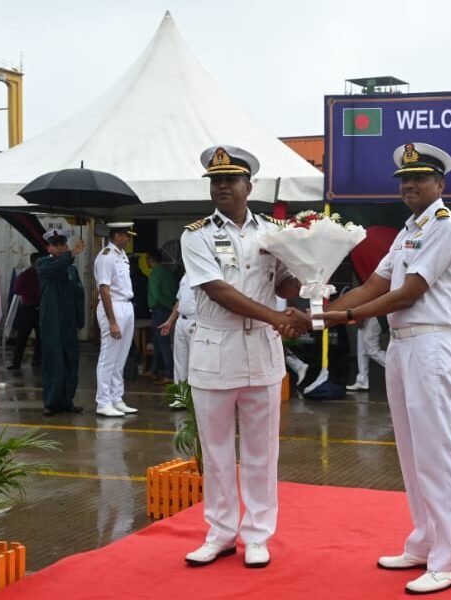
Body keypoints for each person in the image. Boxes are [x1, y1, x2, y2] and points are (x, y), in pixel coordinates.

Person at [321, 142, 451, 595]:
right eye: (405, 179)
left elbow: (409, 292)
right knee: (409, 451)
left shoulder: (446, 226)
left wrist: (348, 318)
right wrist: (320, 313)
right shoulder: (409, 230)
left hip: (430, 341)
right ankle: (424, 541)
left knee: (435, 451)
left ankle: (450, 559)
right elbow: (374, 284)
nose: (409, 185)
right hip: (403, 346)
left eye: (419, 178)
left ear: (439, 185)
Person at [180, 144, 308, 570]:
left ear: (248, 186)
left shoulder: (273, 230)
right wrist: (277, 315)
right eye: (216, 181)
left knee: (261, 451)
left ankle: (257, 534)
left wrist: (310, 276)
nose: (221, 187)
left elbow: (287, 282)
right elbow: (218, 290)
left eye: (230, 180)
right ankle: (219, 533)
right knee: (216, 451)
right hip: (216, 347)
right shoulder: (195, 234)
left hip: (262, 350)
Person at [37, 229, 87, 417]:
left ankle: (67, 400)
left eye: (62, 244)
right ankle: (51, 402)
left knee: (70, 361)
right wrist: (71, 254)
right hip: (52, 320)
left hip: (68, 321)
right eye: (55, 245)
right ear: (48, 247)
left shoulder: (71, 269)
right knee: (54, 361)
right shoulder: (43, 264)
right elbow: (54, 268)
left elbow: (79, 293)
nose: (60, 248)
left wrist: (80, 318)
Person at [93, 222, 139, 418]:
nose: (128, 239)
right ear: (116, 236)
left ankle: (116, 398)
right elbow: (104, 289)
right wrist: (112, 321)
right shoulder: (106, 256)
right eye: (126, 235)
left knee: (121, 356)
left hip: (126, 305)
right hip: (113, 306)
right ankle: (103, 401)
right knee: (108, 356)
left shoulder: (121, 255)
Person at [160, 272, 197, 409]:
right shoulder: (185, 276)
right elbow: (179, 301)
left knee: (195, 363)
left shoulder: (203, 273)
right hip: (181, 321)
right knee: (180, 361)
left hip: (196, 320)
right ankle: (180, 397)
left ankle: (195, 398)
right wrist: (170, 321)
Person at [147, 251, 178, 384]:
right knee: (158, 342)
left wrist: (167, 306)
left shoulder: (154, 274)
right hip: (169, 309)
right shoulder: (167, 272)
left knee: (163, 343)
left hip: (160, 310)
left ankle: (170, 373)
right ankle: (154, 370)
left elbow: (157, 296)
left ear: (150, 259)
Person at [9, 252, 43, 371]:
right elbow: (17, 289)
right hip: (28, 308)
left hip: (40, 309)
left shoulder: (44, 274)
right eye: (37, 263)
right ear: (32, 262)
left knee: (41, 337)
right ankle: (16, 362)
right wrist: (32, 294)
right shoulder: (25, 275)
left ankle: (37, 361)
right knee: (21, 337)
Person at [347, 308, 386, 392]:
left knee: (372, 350)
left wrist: (359, 317)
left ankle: (396, 366)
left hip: (374, 313)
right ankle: (362, 380)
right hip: (364, 313)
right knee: (362, 349)